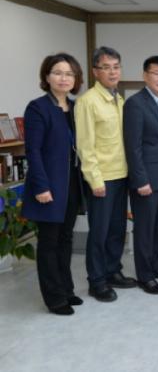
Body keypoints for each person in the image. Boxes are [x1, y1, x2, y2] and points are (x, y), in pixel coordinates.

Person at [22, 53, 85, 315]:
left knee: (66, 239)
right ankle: (54, 298)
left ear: (75, 78)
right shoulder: (38, 108)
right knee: (49, 243)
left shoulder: (75, 107)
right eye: (57, 73)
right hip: (49, 185)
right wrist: (41, 187)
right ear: (47, 77)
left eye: (69, 73)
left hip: (72, 183)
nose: (63, 78)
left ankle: (66, 289)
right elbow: (33, 151)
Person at [75, 46, 136, 302]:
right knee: (99, 232)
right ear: (95, 72)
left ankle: (113, 271)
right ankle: (97, 281)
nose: (112, 72)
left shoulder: (118, 99)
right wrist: (94, 179)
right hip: (102, 179)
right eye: (106, 67)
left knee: (117, 229)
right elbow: (85, 145)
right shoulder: (87, 101)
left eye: (116, 67)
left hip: (121, 175)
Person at [123, 55, 158, 294]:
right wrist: (140, 180)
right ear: (145, 76)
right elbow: (132, 146)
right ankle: (145, 276)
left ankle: (155, 266)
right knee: (144, 229)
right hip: (146, 180)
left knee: (156, 227)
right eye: (156, 74)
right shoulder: (135, 104)